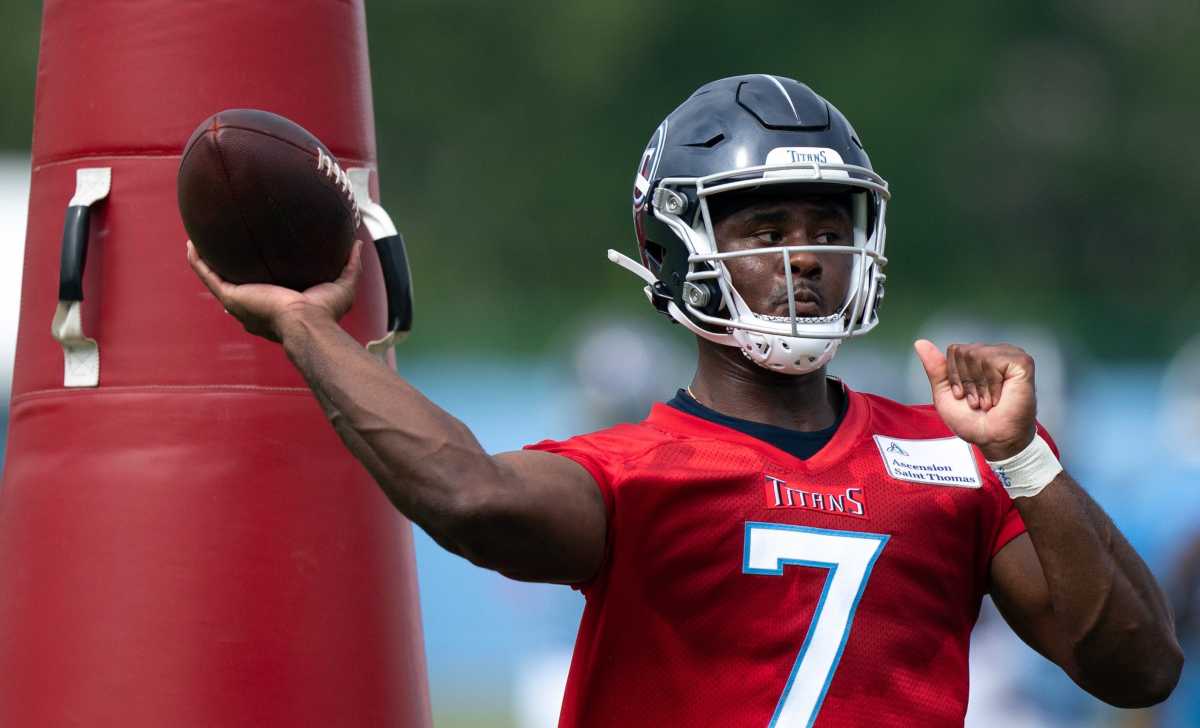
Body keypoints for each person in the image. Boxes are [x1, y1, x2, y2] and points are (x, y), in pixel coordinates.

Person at [187, 74, 1181, 727]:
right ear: (676, 248)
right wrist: (307, 324)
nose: (803, 257)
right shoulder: (636, 473)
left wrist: (1025, 457)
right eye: (765, 227)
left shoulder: (955, 457)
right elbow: (469, 495)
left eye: (826, 224)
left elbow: (1139, 668)